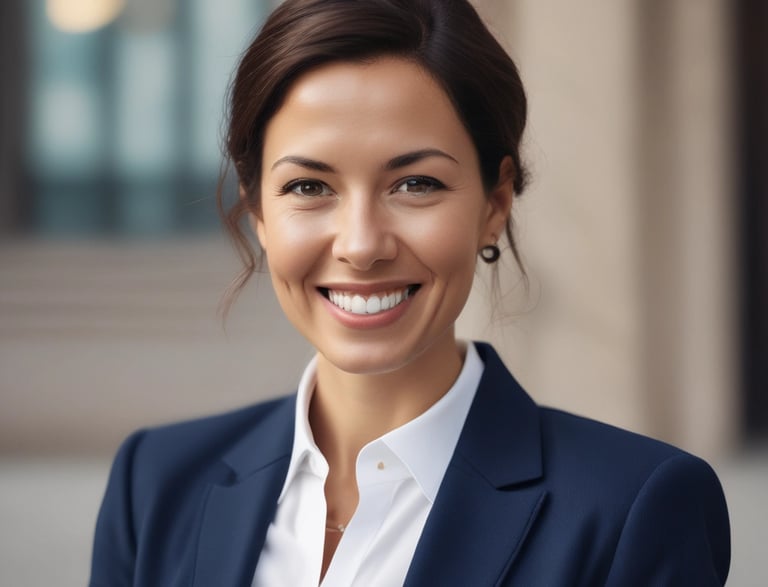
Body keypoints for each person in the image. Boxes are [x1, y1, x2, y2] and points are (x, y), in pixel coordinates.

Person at [89, 1, 731, 585]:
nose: (361, 244)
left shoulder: (632, 509)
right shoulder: (155, 482)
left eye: (416, 184)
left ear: (494, 204)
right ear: (258, 210)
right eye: (309, 187)